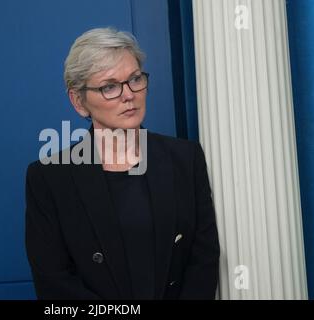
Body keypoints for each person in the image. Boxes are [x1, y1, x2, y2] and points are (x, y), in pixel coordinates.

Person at [25, 27, 220, 300]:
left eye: (135, 79)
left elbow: (204, 260)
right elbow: (54, 283)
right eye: (109, 86)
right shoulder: (49, 178)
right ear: (79, 101)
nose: (128, 94)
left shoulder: (185, 158)